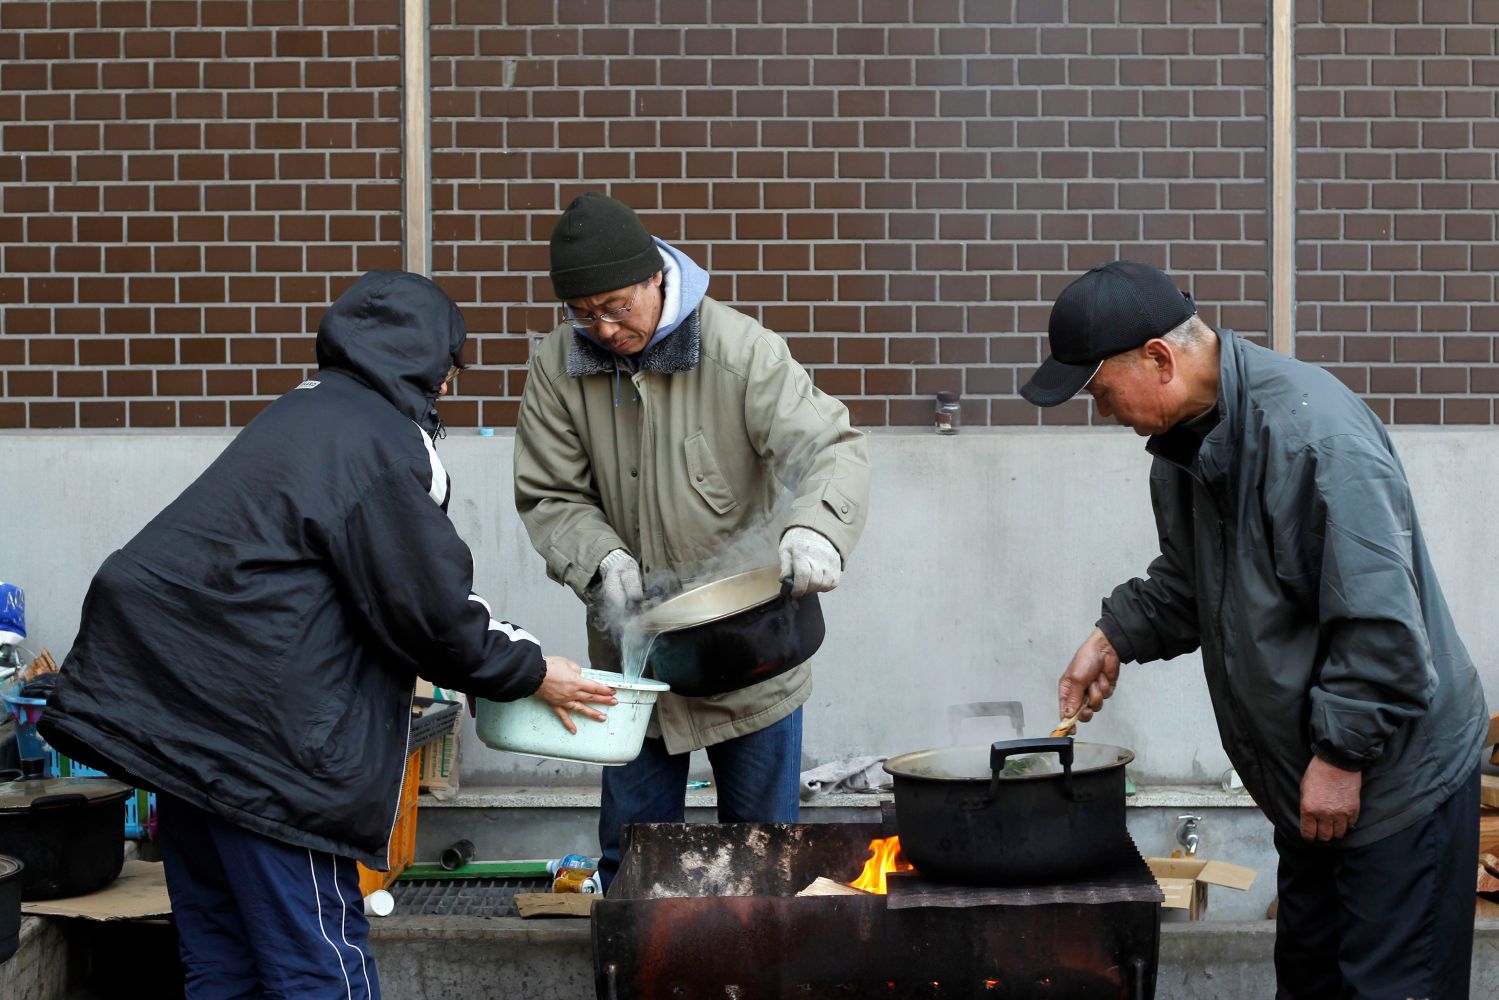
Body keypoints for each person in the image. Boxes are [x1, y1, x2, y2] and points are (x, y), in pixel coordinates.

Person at [40, 270, 616, 999]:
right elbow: (429, 610)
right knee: (317, 961)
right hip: (266, 752)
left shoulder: (304, 412)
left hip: (179, 726)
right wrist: (528, 670)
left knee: (221, 955)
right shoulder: (377, 439)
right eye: (449, 365)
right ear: (423, 360)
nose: (448, 383)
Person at [1021, 259, 1488, 999]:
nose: (1102, 412)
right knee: (1309, 981)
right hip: (1311, 784)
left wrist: (1338, 756)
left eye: (1100, 392)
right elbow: (1191, 582)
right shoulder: (1180, 447)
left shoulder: (1314, 437)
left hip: (1391, 781)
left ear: (1158, 358)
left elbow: (1383, 626)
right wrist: (1113, 635)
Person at [513, 192, 871, 890]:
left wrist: (816, 526)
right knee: (632, 865)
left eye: (618, 305)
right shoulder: (556, 366)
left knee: (764, 859)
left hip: (753, 651)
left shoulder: (740, 349)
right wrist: (599, 558)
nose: (605, 328)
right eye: (584, 314)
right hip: (635, 661)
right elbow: (551, 494)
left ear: (655, 278)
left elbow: (830, 446)